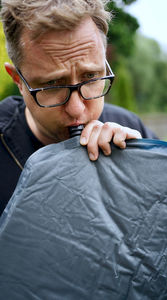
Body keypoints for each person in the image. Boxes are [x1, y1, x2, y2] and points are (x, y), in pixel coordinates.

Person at [0, 0, 156, 216]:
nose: (76, 109)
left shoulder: (130, 129)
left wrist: (148, 166)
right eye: (53, 84)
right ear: (18, 80)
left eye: (91, 76)